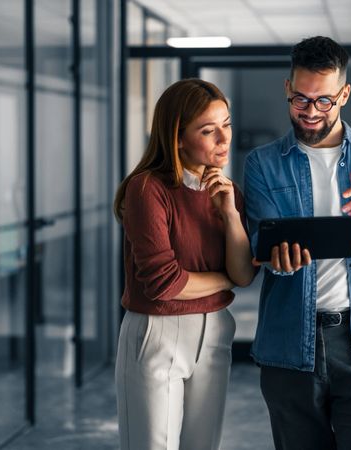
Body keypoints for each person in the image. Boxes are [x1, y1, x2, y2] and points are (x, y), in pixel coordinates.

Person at [243, 36, 351, 449]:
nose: (310, 112)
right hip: (290, 343)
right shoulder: (262, 164)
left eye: (323, 101)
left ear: (344, 94)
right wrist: (275, 258)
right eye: (301, 100)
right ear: (288, 89)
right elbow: (258, 244)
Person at [113, 78, 255, 450]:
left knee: (203, 445)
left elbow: (244, 275)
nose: (224, 139)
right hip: (157, 332)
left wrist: (230, 215)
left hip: (216, 332)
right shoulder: (147, 189)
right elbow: (164, 285)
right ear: (177, 137)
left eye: (226, 124)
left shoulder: (229, 193)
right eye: (209, 131)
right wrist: (225, 278)